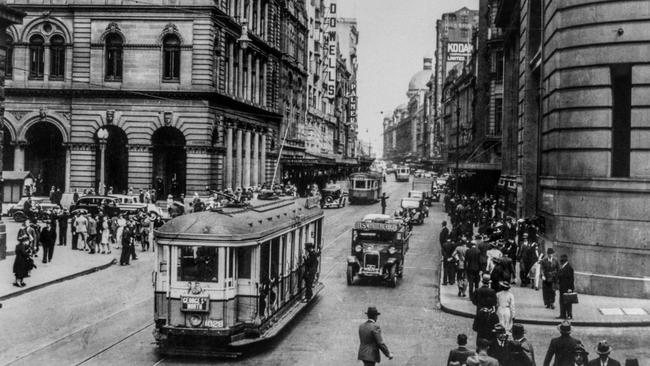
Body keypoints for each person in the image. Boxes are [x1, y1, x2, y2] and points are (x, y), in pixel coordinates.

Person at [557, 254, 575, 320]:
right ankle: (563, 314)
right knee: (562, 301)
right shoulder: (563, 267)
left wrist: (570, 288)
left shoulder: (569, 268)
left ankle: (569, 315)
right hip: (562, 287)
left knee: (568, 302)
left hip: (567, 288)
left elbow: (571, 279)